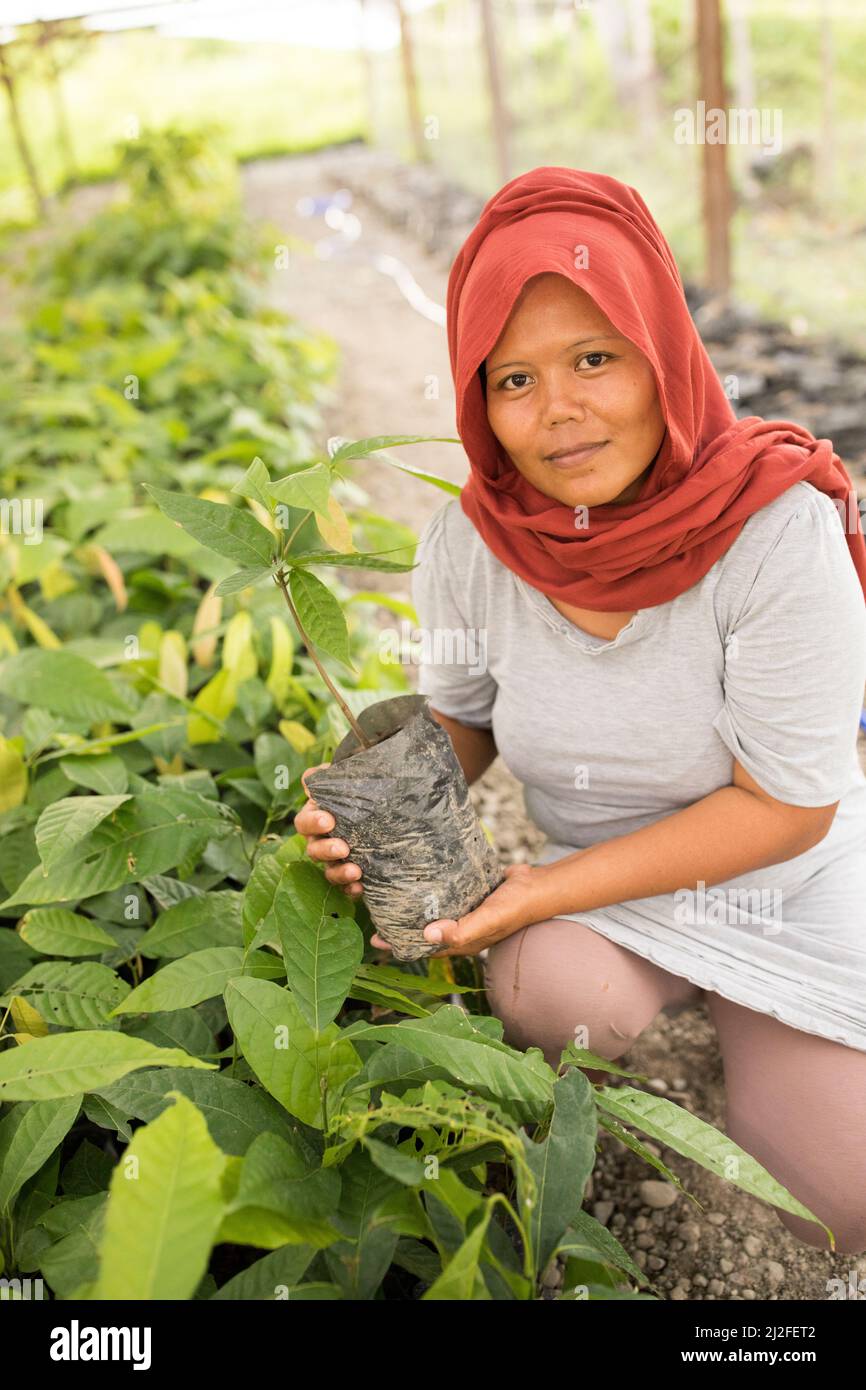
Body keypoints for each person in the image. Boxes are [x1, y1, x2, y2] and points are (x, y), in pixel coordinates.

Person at [295, 167, 866, 1256]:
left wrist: (543, 886)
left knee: (831, 1200)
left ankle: (752, 1003)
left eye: (593, 359)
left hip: (782, 877)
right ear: (476, 397)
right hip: (616, 879)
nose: (556, 412)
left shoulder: (772, 529)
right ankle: (666, 988)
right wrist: (368, 800)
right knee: (541, 985)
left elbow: (787, 807)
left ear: (661, 352)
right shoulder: (475, 541)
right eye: (511, 379)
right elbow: (464, 717)